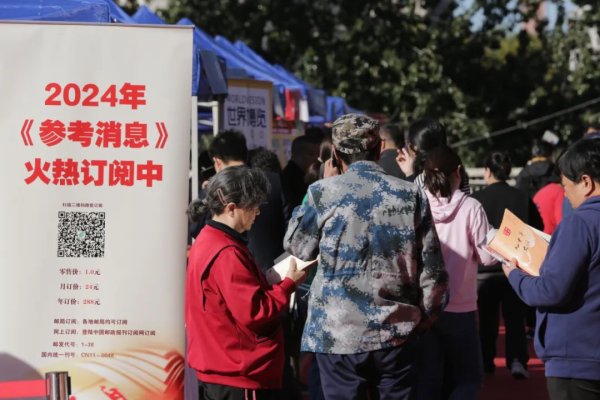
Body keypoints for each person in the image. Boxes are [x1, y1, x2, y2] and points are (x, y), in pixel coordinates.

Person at [284, 113, 449, 400]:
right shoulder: (410, 194)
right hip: (397, 331)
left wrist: (315, 193)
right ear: (379, 148)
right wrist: (423, 318)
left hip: (338, 334)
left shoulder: (322, 193)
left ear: (335, 153)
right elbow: (433, 272)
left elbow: (297, 246)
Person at [185, 166, 307, 400]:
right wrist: (287, 284)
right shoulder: (226, 251)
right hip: (236, 371)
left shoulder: (208, 239)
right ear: (231, 208)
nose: (257, 212)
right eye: (253, 206)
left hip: (221, 366)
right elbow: (255, 312)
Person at [503, 139, 600, 400]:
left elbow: (550, 290)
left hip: (577, 357)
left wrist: (515, 275)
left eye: (566, 186)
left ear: (586, 182)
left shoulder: (580, 224)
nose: (565, 194)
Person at [415, 145, 496, 400]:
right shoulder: (471, 207)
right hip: (461, 306)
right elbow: (487, 256)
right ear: (458, 172)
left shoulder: (416, 205)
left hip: (424, 305)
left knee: (429, 380)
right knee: (469, 378)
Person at [471, 151, 543, 379]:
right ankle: (517, 361)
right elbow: (537, 229)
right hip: (515, 268)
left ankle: (486, 362)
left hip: (485, 271)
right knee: (515, 319)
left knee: (487, 320)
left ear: (487, 171)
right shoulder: (522, 197)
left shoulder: (477, 199)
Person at [189, 130, 287, 272]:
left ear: (217, 161)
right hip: (273, 270)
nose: (256, 212)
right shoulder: (275, 181)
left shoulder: (213, 190)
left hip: (228, 269)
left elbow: (195, 228)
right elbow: (290, 223)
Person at [396, 118, 470, 193]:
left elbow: (412, 199)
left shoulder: (424, 178)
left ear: (414, 148)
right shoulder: (457, 172)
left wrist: (409, 175)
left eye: (408, 144)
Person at [281, 135, 321, 214]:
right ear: (298, 155)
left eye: (318, 155)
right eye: (312, 154)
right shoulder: (291, 179)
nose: (317, 159)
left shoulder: (303, 174)